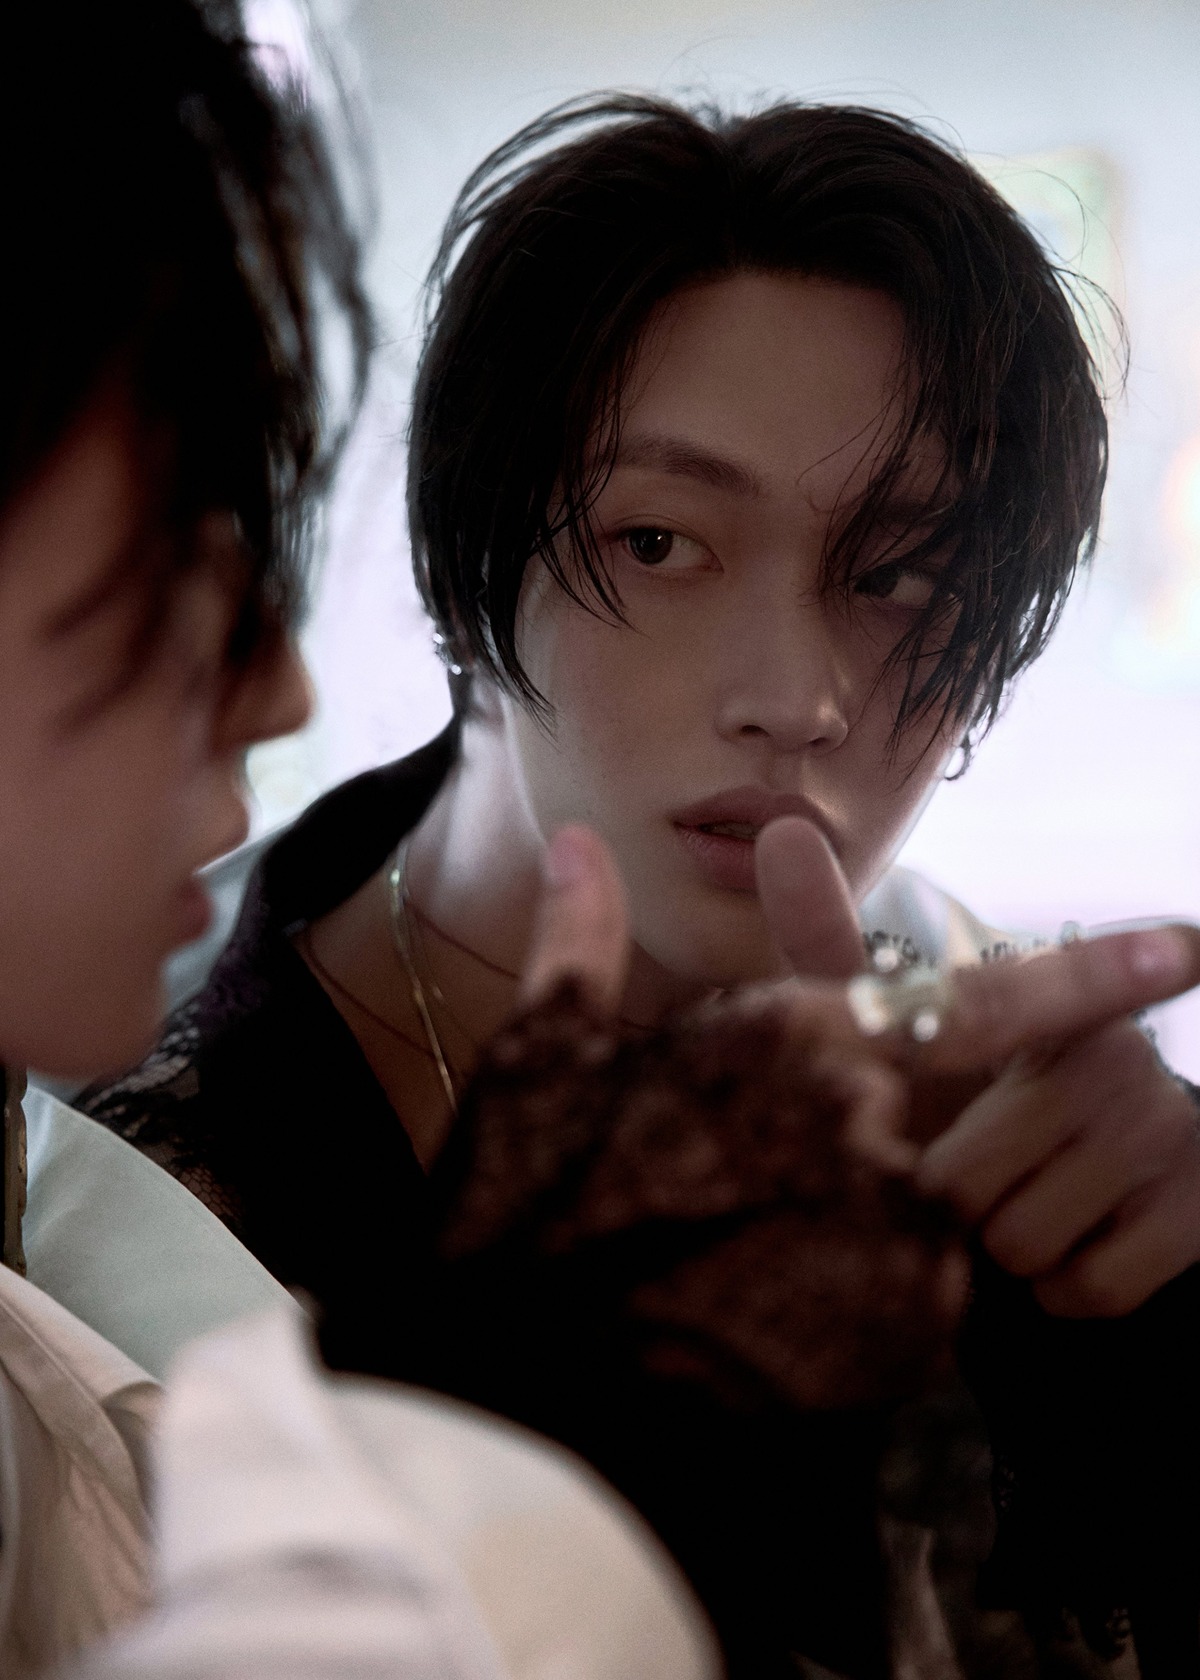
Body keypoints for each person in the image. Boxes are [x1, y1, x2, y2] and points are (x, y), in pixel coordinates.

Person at [76, 95, 1200, 1674]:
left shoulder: (1023, 1100)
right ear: (467, 562)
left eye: (898, 574)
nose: (796, 696)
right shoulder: (106, 1162)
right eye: (660, 543)